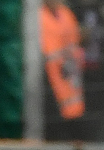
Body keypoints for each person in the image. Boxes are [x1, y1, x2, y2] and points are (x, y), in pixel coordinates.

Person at [41, 0, 87, 141]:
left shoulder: (66, 13)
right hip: (49, 83)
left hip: (70, 79)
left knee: (75, 126)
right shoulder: (38, 17)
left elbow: (76, 40)